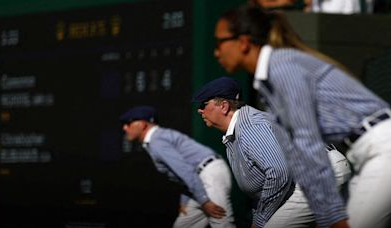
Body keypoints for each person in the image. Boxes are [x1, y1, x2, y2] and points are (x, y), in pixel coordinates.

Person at [213, 4, 391, 228]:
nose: (216, 52)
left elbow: (309, 146)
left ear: (243, 42)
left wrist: (332, 216)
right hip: (369, 152)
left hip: (383, 147)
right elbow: (297, 153)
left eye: (220, 42)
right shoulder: (271, 76)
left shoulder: (283, 69)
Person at [193, 76, 351, 228]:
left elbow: (279, 172)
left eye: (203, 104)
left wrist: (260, 220)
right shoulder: (238, 129)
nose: (200, 110)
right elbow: (267, 184)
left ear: (224, 106)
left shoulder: (250, 127)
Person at [119, 106, 235, 228]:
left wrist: (204, 200)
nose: (125, 127)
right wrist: (185, 199)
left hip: (208, 174)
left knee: (222, 223)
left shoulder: (156, 140)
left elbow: (185, 169)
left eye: (129, 123)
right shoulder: (156, 138)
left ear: (143, 124)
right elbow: (182, 172)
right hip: (201, 179)